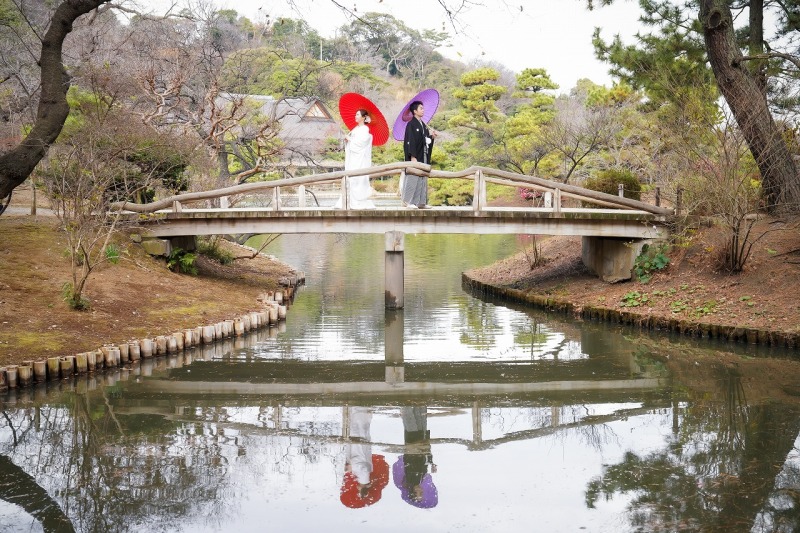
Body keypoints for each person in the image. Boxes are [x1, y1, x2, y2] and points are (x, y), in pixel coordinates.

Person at [340, 406, 390, 508]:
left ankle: (359, 410)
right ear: (361, 489)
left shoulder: (362, 478)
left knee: (360, 427)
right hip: (359, 448)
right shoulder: (364, 478)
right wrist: (351, 466)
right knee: (358, 427)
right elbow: (363, 467)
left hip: (359, 448)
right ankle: (358, 408)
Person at [392, 405, 438, 508]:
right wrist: (431, 463)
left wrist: (427, 461)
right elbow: (424, 461)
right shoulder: (420, 479)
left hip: (414, 445)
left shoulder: (411, 480)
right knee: (420, 417)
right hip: (421, 445)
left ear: (413, 491)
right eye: (422, 493)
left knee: (410, 418)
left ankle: (407, 402)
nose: (421, 491)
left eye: (419, 493)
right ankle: (419, 403)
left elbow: (417, 461)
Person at [335, 109, 376, 209]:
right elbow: (353, 142)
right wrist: (347, 141)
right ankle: (348, 200)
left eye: (357, 114)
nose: (355, 116)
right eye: (356, 114)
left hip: (360, 159)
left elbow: (361, 144)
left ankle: (358, 201)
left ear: (363, 117)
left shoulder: (365, 129)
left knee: (358, 178)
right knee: (351, 178)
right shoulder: (355, 129)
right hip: (353, 158)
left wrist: (350, 139)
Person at [402, 101, 437, 209]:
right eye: (421, 108)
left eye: (423, 108)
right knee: (413, 176)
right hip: (415, 155)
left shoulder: (423, 125)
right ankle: (408, 201)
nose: (423, 110)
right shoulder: (411, 124)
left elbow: (424, 141)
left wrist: (431, 137)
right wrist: (412, 156)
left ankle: (421, 202)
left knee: (423, 177)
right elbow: (410, 141)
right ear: (415, 111)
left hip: (423, 154)